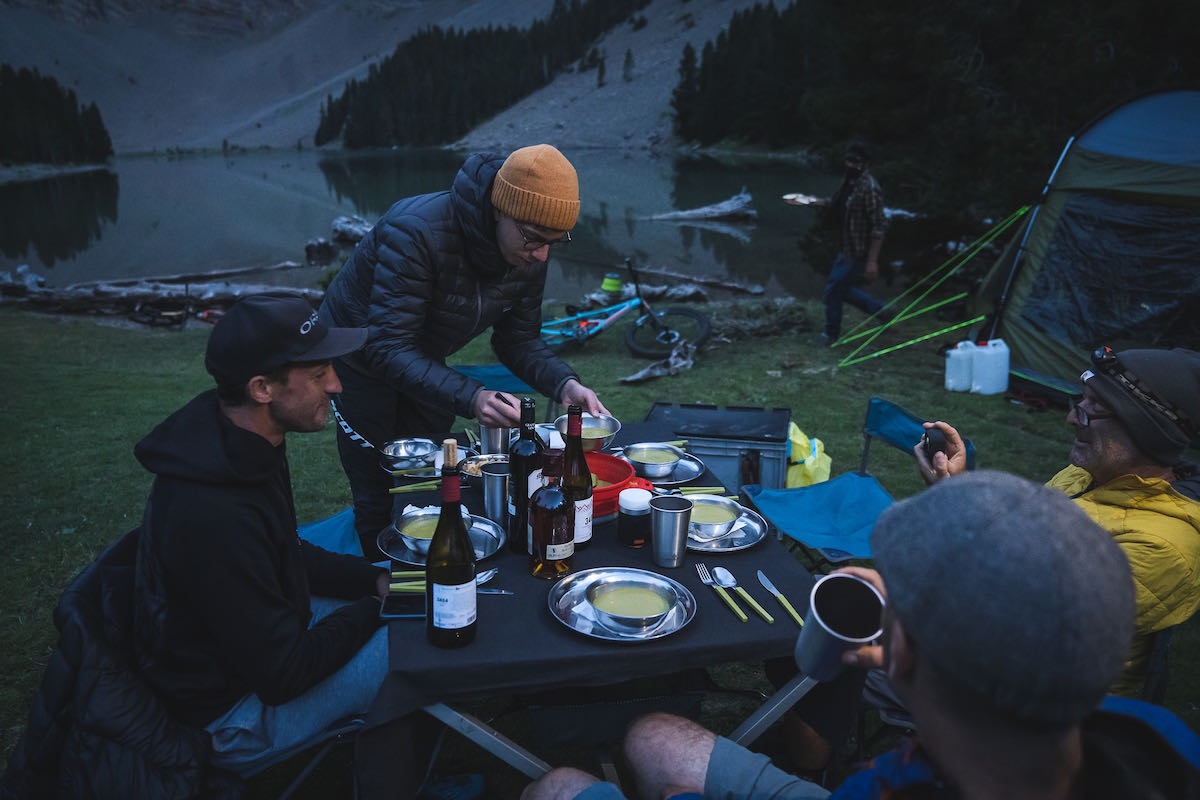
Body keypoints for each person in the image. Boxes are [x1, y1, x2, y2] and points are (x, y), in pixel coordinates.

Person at [523, 472, 1200, 800]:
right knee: (652, 735)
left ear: (901, 655)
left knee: (557, 786)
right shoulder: (1152, 737)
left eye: (894, 600)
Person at [131, 294, 396, 782]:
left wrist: (374, 580)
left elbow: (285, 550)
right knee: (416, 639)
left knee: (405, 587)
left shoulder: (245, 443)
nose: (336, 385)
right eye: (318, 375)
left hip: (265, 644)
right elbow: (283, 676)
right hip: (232, 716)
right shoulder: (213, 513)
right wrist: (376, 608)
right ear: (262, 389)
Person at [319, 143, 609, 550]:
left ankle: (434, 555)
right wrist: (473, 397)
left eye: (555, 242)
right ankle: (380, 576)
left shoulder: (528, 254)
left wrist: (564, 384)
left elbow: (518, 338)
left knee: (438, 470)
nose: (543, 255)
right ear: (500, 210)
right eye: (534, 239)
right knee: (378, 479)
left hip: (423, 353)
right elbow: (387, 345)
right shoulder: (416, 231)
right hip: (359, 355)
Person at [918, 345, 1200, 695]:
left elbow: (1022, 611)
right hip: (990, 649)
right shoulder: (1085, 474)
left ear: (1146, 432)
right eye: (1081, 402)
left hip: (1037, 696)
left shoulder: (1162, 547)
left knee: (864, 649)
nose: (1072, 418)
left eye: (1094, 410)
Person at [799, 140, 888, 346]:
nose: (850, 165)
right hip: (846, 247)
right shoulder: (850, 182)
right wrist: (811, 201)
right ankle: (880, 311)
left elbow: (880, 226)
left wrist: (872, 261)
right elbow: (836, 204)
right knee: (841, 289)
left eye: (855, 161)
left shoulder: (870, 188)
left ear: (865, 163)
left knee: (833, 290)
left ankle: (830, 335)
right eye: (848, 160)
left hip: (859, 251)